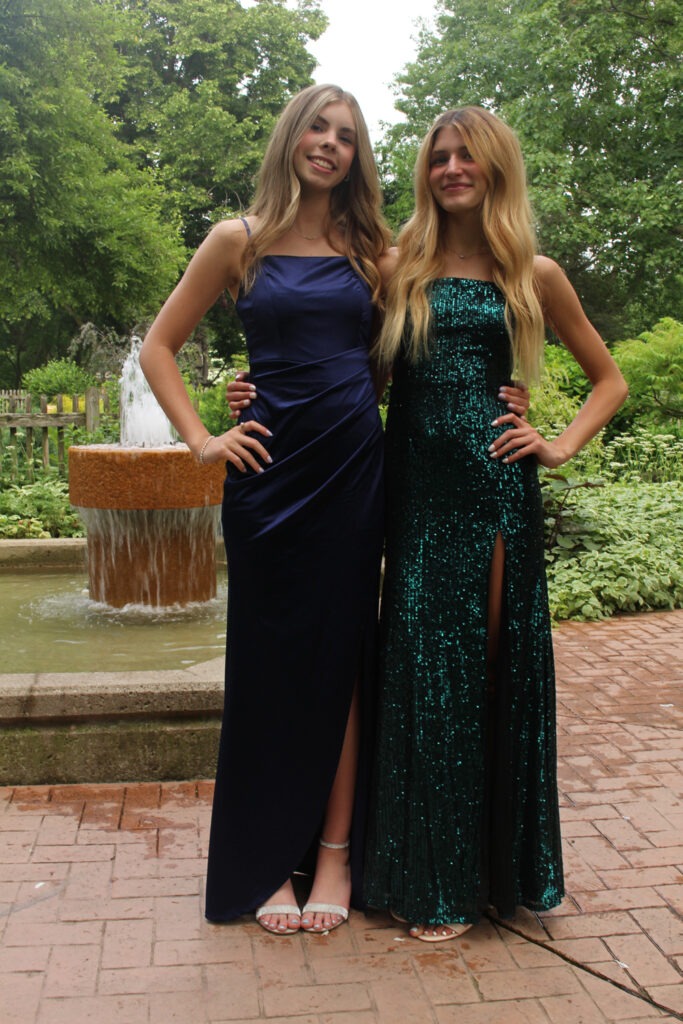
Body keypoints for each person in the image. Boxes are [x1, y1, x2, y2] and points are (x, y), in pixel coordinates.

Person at [360, 106, 628, 942]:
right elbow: (355, 376)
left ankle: (478, 879)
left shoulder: (532, 273)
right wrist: (265, 390)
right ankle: (427, 874)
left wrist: (555, 446)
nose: (451, 168)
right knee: (421, 675)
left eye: (466, 156)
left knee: (480, 673)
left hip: (492, 492)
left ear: (495, 168)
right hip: (413, 496)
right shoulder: (398, 263)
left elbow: (609, 381)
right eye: (439, 156)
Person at [140, 83, 392, 936]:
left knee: (342, 659)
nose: (328, 144)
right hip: (268, 475)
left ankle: (334, 853)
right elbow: (158, 346)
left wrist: (500, 393)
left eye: (345, 136)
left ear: (356, 157)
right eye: (316, 128)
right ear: (290, 136)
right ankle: (268, 859)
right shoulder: (235, 240)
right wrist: (202, 439)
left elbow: (394, 357)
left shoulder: (373, 250)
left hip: (351, 470)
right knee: (269, 664)